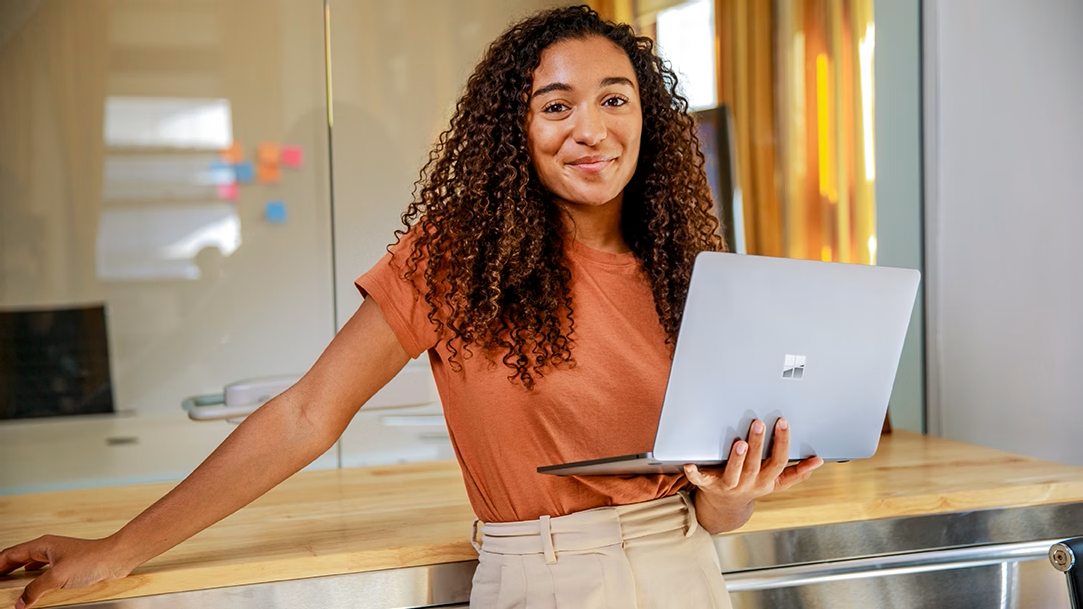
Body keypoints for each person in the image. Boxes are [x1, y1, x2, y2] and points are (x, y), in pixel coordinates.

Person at [0, 6, 822, 608]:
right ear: (515, 128)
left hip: (688, 574)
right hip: (545, 580)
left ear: (646, 118)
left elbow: (712, 509)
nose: (590, 129)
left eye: (614, 99)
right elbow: (305, 415)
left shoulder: (686, 272)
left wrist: (731, 490)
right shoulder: (455, 254)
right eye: (555, 105)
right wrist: (120, 548)